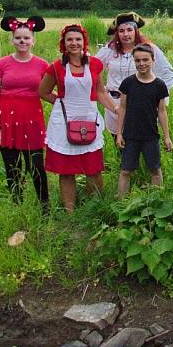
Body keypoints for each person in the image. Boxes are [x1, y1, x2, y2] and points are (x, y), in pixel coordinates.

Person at [39, 24, 116, 212]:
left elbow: (100, 93)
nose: (74, 43)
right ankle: (70, 212)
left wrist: (117, 110)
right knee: (66, 170)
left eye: (78, 39)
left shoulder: (96, 65)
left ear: (84, 42)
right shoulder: (56, 67)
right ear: (64, 43)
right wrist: (62, 103)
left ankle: (95, 207)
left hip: (89, 118)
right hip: (64, 123)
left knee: (94, 168)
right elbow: (43, 91)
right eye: (70, 40)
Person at [0, 16, 49, 210]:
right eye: (18, 38)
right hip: (7, 120)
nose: (22, 41)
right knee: (12, 167)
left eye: (26, 38)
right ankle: (18, 206)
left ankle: (45, 206)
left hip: (32, 120)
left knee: (36, 166)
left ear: (33, 40)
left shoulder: (42, 65)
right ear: (12, 40)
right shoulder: (1, 64)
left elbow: (47, 92)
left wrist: (65, 100)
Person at [96, 12, 173, 141]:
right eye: (121, 31)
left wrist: (156, 96)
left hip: (142, 105)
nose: (126, 34)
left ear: (135, 31)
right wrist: (102, 90)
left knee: (142, 144)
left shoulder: (149, 49)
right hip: (115, 105)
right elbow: (93, 69)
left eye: (129, 30)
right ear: (117, 33)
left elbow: (167, 74)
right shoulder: (109, 50)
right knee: (120, 146)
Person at [115, 44, 173, 196]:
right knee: (126, 170)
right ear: (134, 62)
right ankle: (122, 206)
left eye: (145, 60)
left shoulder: (160, 85)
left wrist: (167, 136)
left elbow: (161, 111)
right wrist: (119, 133)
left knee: (155, 169)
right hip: (130, 135)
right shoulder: (128, 83)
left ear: (153, 60)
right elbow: (122, 108)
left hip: (151, 136)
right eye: (138, 60)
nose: (141, 63)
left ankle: (156, 202)